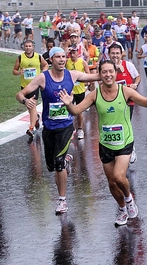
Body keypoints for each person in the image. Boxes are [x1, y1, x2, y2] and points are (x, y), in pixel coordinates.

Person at [59, 60, 147, 226]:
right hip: (106, 143)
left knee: (119, 176)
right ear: (100, 75)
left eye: (110, 72)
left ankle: (129, 199)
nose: (108, 75)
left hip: (124, 141)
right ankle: (122, 209)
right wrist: (69, 104)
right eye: (104, 72)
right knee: (112, 182)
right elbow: (76, 111)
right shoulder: (95, 95)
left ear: (115, 73)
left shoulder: (125, 91)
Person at [16, 47, 100, 215]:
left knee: (59, 163)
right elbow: (20, 93)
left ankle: (62, 200)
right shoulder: (42, 78)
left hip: (66, 126)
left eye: (64, 57)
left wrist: (114, 68)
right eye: (58, 57)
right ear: (51, 60)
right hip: (49, 128)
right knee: (51, 166)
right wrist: (25, 101)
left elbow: (96, 76)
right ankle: (65, 160)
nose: (62, 60)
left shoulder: (72, 75)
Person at [13, 40, 49, 139]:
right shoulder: (20, 58)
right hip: (24, 87)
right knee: (29, 108)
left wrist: (43, 73)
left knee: (32, 106)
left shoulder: (38, 57)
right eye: (26, 46)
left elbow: (45, 65)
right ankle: (36, 118)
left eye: (30, 46)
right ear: (24, 47)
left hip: (35, 86)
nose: (28, 48)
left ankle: (31, 128)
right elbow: (14, 71)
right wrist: (19, 72)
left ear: (33, 47)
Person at [65, 46, 90, 140]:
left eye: (74, 52)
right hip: (70, 91)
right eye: (70, 53)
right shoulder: (67, 62)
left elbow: (88, 73)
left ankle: (80, 129)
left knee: (79, 111)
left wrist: (87, 84)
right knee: (69, 111)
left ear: (77, 53)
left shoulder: (82, 62)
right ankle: (71, 129)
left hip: (80, 91)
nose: (72, 55)